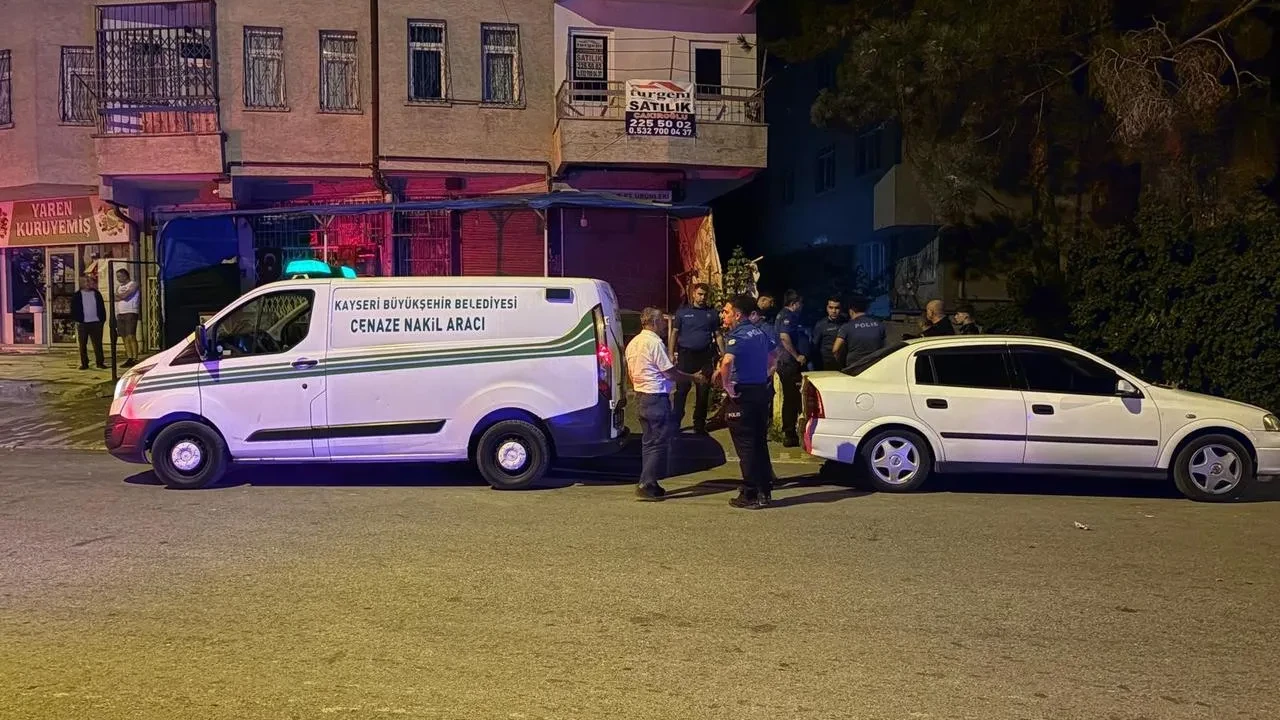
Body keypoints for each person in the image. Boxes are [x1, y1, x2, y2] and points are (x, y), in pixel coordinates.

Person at [625, 307, 706, 501]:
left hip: (641, 396)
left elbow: (631, 371)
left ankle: (649, 481)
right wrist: (693, 377)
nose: (664, 325)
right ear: (653, 322)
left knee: (649, 442)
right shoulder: (654, 343)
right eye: (662, 321)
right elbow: (669, 372)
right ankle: (646, 483)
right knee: (658, 443)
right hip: (656, 397)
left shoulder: (633, 343)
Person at [714, 294, 778, 509]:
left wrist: (727, 386)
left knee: (746, 445)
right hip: (760, 391)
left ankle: (751, 492)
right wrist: (766, 373)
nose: (723, 315)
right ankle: (765, 490)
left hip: (743, 395)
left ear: (737, 315)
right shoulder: (759, 332)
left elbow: (727, 363)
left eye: (726, 311)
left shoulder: (738, 336)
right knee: (759, 442)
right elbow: (774, 354)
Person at [670, 283, 718, 434]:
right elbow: (674, 333)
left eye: (705, 295)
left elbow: (718, 335)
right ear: (693, 294)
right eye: (700, 294)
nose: (702, 297)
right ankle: (675, 422)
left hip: (704, 356)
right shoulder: (682, 313)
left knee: (703, 392)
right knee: (681, 391)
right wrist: (671, 353)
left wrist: (723, 355)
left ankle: (699, 424)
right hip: (686, 356)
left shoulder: (712, 313)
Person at [773, 290, 807, 447]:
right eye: (800, 303)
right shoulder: (789, 316)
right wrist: (797, 356)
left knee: (790, 398)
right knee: (792, 398)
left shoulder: (781, 314)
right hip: (788, 363)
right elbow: (784, 337)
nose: (802, 306)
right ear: (794, 304)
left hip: (783, 362)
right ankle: (790, 434)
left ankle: (791, 432)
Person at [832, 296, 886, 369]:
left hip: (854, 367)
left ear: (851, 310)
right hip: (874, 366)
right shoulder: (879, 325)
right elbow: (885, 347)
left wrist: (840, 364)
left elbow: (835, 349)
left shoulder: (847, 327)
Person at [72, 274, 107, 370]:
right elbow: (73, 309)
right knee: (83, 344)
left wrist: (102, 320)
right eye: (84, 282)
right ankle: (84, 363)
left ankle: (100, 362)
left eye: (88, 281)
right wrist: (77, 320)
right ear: (80, 283)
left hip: (96, 322)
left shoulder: (96, 293)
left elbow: (101, 306)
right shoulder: (77, 295)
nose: (87, 283)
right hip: (83, 323)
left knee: (98, 344)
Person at [114, 268, 141, 367]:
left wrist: (121, 296)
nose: (118, 279)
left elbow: (125, 296)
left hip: (131, 312)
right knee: (124, 336)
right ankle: (129, 357)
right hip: (120, 313)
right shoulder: (119, 287)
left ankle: (135, 357)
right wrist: (121, 296)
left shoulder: (133, 284)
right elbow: (114, 297)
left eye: (119, 276)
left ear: (125, 275)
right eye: (117, 277)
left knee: (131, 335)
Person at [811, 296, 844, 370]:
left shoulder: (846, 322)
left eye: (837, 308)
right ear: (827, 308)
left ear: (841, 309)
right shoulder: (821, 325)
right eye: (831, 308)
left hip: (844, 362)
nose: (834, 311)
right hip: (827, 364)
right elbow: (814, 346)